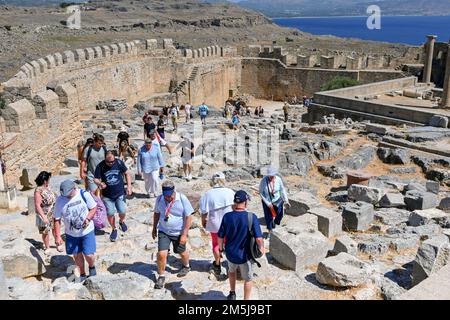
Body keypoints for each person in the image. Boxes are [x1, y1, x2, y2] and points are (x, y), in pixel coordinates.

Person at [218, 190, 264, 300]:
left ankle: (232, 293)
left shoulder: (227, 216)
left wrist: (220, 249)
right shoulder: (251, 217)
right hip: (245, 256)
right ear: (246, 202)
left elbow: (220, 236)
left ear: (235, 202)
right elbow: (258, 238)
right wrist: (262, 248)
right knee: (248, 279)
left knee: (231, 271)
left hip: (230, 254)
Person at [152, 180, 194, 289]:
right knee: (161, 254)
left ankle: (186, 266)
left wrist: (184, 235)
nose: (167, 198)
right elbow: (157, 213)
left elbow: (189, 216)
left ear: (173, 191)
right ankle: (161, 276)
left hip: (178, 232)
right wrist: (154, 228)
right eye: (165, 196)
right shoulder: (160, 199)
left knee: (181, 252)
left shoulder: (182, 199)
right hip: (163, 231)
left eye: (169, 196)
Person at [54, 180, 97, 281]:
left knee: (89, 254)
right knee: (77, 255)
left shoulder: (84, 194)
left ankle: (91, 266)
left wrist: (88, 219)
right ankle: (82, 273)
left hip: (87, 231)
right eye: (65, 195)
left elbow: (93, 208)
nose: (67, 196)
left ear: (74, 188)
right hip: (71, 234)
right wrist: (58, 236)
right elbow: (57, 219)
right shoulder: (60, 201)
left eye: (68, 194)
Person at [199, 172, 235, 276]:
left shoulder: (208, 194)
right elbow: (235, 207)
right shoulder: (229, 192)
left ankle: (218, 265)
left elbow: (204, 211)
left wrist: (203, 221)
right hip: (228, 223)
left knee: (216, 244)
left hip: (214, 223)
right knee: (229, 243)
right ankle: (231, 265)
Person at [93, 151, 133, 242]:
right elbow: (95, 179)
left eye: (112, 162)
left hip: (120, 193)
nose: (111, 163)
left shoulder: (119, 162)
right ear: (105, 159)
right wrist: (100, 183)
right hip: (107, 195)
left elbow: (127, 173)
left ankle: (121, 221)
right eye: (108, 162)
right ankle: (114, 228)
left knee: (122, 210)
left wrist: (129, 186)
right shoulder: (101, 166)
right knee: (110, 213)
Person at [34, 171, 62, 255]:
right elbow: (37, 205)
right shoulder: (38, 190)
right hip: (44, 213)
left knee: (55, 229)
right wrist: (43, 217)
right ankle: (47, 247)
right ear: (44, 180)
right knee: (45, 231)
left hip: (53, 212)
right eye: (48, 179)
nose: (49, 181)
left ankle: (58, 243)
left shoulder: (47, 187)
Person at [259, 166, 290, 235]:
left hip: (277, 200)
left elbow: (282, 190)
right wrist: (268, 204)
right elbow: (261, 192)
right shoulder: (264, 181)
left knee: (280, 214)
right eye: (270, 175)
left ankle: (275, 222)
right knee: (268, 216)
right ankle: (270, 229)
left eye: (272, 175)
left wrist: (286, 200)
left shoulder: (278, 179)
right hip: (267, 201)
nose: (271, 177)